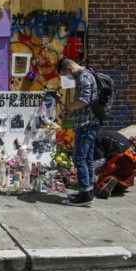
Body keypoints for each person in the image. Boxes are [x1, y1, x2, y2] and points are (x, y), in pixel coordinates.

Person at [57, 58, 99, 206]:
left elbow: (84, 100)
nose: (67, 77)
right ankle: (87, 191)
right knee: (87, 158)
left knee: (79, 158)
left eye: (65, 74)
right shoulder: (86, 75)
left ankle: (86, 193)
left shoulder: (84, 76)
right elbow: (84, 105)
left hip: (87, 124)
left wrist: (68, 108)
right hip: (87, 122)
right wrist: (71, 113)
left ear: (69, 68)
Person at [94, 129, 136, 198]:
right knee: (124, 178)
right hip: (131, 156)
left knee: (103, 178)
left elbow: (101, 161)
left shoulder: (95, 138)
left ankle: (106, 184)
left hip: (120, 158)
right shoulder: (103, 133)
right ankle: (114, 184)